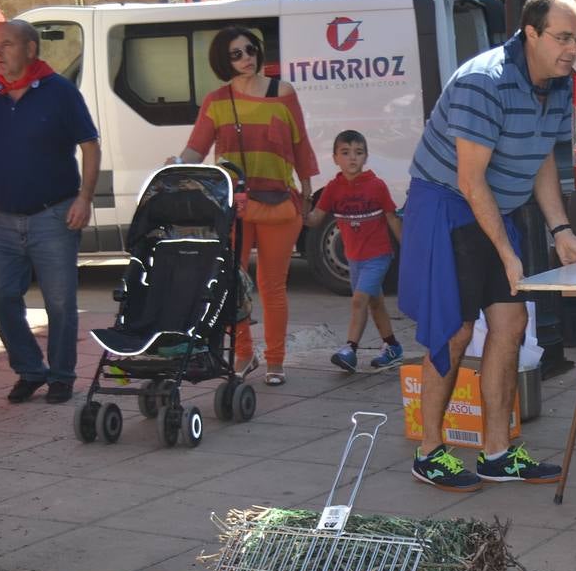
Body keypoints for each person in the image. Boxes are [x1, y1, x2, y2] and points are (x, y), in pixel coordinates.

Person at [400, 0, 576, 492]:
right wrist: (509, 255)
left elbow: (542, 158)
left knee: (510, 322)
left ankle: (497, 452)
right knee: (455, 332)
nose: (573, 49)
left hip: (491, 208)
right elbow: (470, 181)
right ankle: (429, 452)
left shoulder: (558, 81)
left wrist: (561, 230)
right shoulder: (482, 82)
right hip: (446, 205)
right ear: (531, 33)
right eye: (564, 37)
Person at [0, 20, 99, 405]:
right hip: (4, 219)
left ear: (31, 49)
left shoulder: (60, 92)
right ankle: (31, 370)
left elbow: (90, 145)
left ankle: (62, 376)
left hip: (55, 214)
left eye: (7, 45)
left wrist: (84, 197)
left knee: (61, 302)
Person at [171, 26, 317, 387]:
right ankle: (243, 353)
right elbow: (196, 148)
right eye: (236, 54)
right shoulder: (217, 100)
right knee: (232, 283)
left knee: (272, 286)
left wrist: (308, 192)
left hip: (279, 203)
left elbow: (301, 144)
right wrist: (174, 164)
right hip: (234, 204)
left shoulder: (283, 92)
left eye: (250, 49)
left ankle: (276, 361)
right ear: (224, 60)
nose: (246, 58)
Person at [305, 130, 405, 372]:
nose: (352, 158)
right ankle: (392, 347)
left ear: (366, 157)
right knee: (375, 303)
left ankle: (350, 349)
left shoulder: (376, 186)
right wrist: (298, 208)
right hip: (354, 258)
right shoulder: (333, 189)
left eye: (358, 153)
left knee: (359, 300)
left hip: (378, 255)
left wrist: (408, 250)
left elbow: (392, 218)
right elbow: (315, 219)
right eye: (346, 153)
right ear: (335, 158)